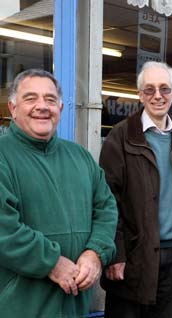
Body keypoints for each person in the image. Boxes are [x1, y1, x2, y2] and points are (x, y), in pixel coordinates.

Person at [0, 69, 118, 318]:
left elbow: (106, 208)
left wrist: (95, 253)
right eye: (30, 98)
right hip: (17, 307)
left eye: (50, 100)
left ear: (61, 109)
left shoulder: (80, 157)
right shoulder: (3, 155)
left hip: (74, 306)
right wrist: (52, 263)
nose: (42, 106)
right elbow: (4, 229)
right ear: (12, 107)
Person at [99, 61, 172, 318]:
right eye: (150, 89)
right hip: (132, 258)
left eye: (164, 89)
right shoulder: (121, 136)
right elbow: (107, 200)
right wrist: (115, 254)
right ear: (140, 94)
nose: (157, 96)